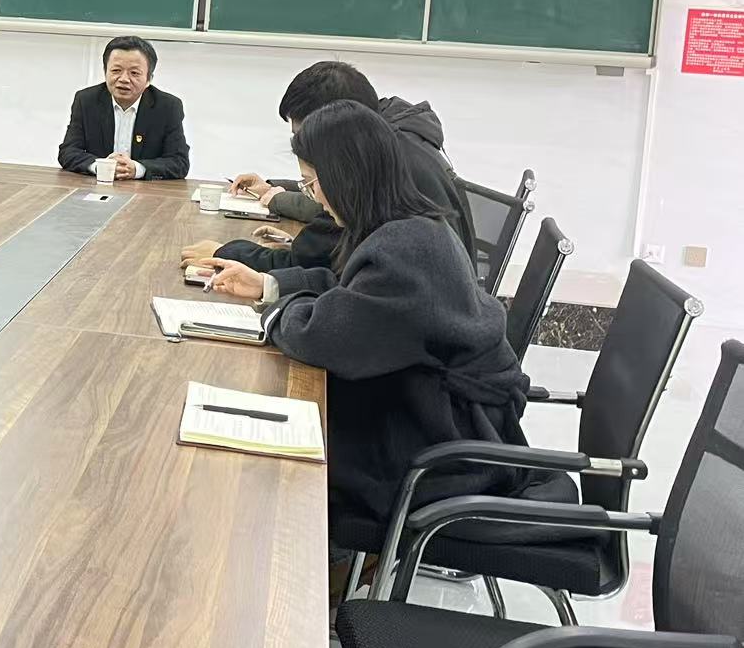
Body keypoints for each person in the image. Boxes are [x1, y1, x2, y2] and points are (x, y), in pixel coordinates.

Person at [195, 101, 539, 541]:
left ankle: (296, 569)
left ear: (344, 176)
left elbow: (322, 336)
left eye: (312, 183)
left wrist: (275, 310)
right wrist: (267, 285)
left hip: (444, 454)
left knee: (270, 467)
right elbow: (349, 292)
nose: (316, 199)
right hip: (435, 419)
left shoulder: (405, 250)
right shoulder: (406, 225)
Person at [182, 60, 473, 274]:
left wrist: (226, 253)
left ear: (336, 123)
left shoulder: (381, 167)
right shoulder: (390, 142)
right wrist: (275, 189)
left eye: (304, 136)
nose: (301, 146)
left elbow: (311, 261)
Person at [57, 35, 190, 180]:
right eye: (116, 70)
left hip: (145, 190)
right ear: (105, 72)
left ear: (149, 79)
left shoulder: (168, 107)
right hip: (96, 186)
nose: (124, 79)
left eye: (134, 73)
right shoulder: (86, 100)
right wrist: (101, 167)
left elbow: (179, 162)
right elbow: (68, 151)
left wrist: (137, 169)